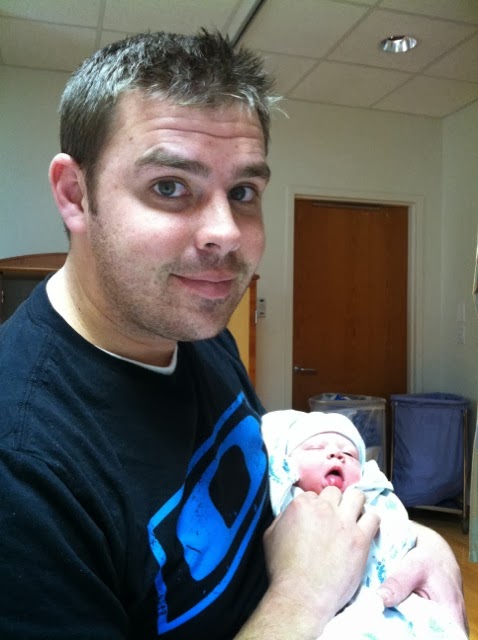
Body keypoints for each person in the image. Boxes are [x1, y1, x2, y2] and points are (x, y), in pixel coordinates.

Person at [0, 29, 467, 640]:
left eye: (244, 192)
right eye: (170, 187)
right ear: (74, 194)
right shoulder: (22, 463)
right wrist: (302, 596)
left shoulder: (196, 331)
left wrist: (405, 542)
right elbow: (300, 582)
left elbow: (273, 496)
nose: (226, 233)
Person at [262, 409, 468, 639]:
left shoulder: (374, 500)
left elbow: (401, 532)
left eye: (349, 454)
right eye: (315, 448)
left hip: (387, 600)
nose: (336, 454)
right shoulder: (288, 499)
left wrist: (433, 547)